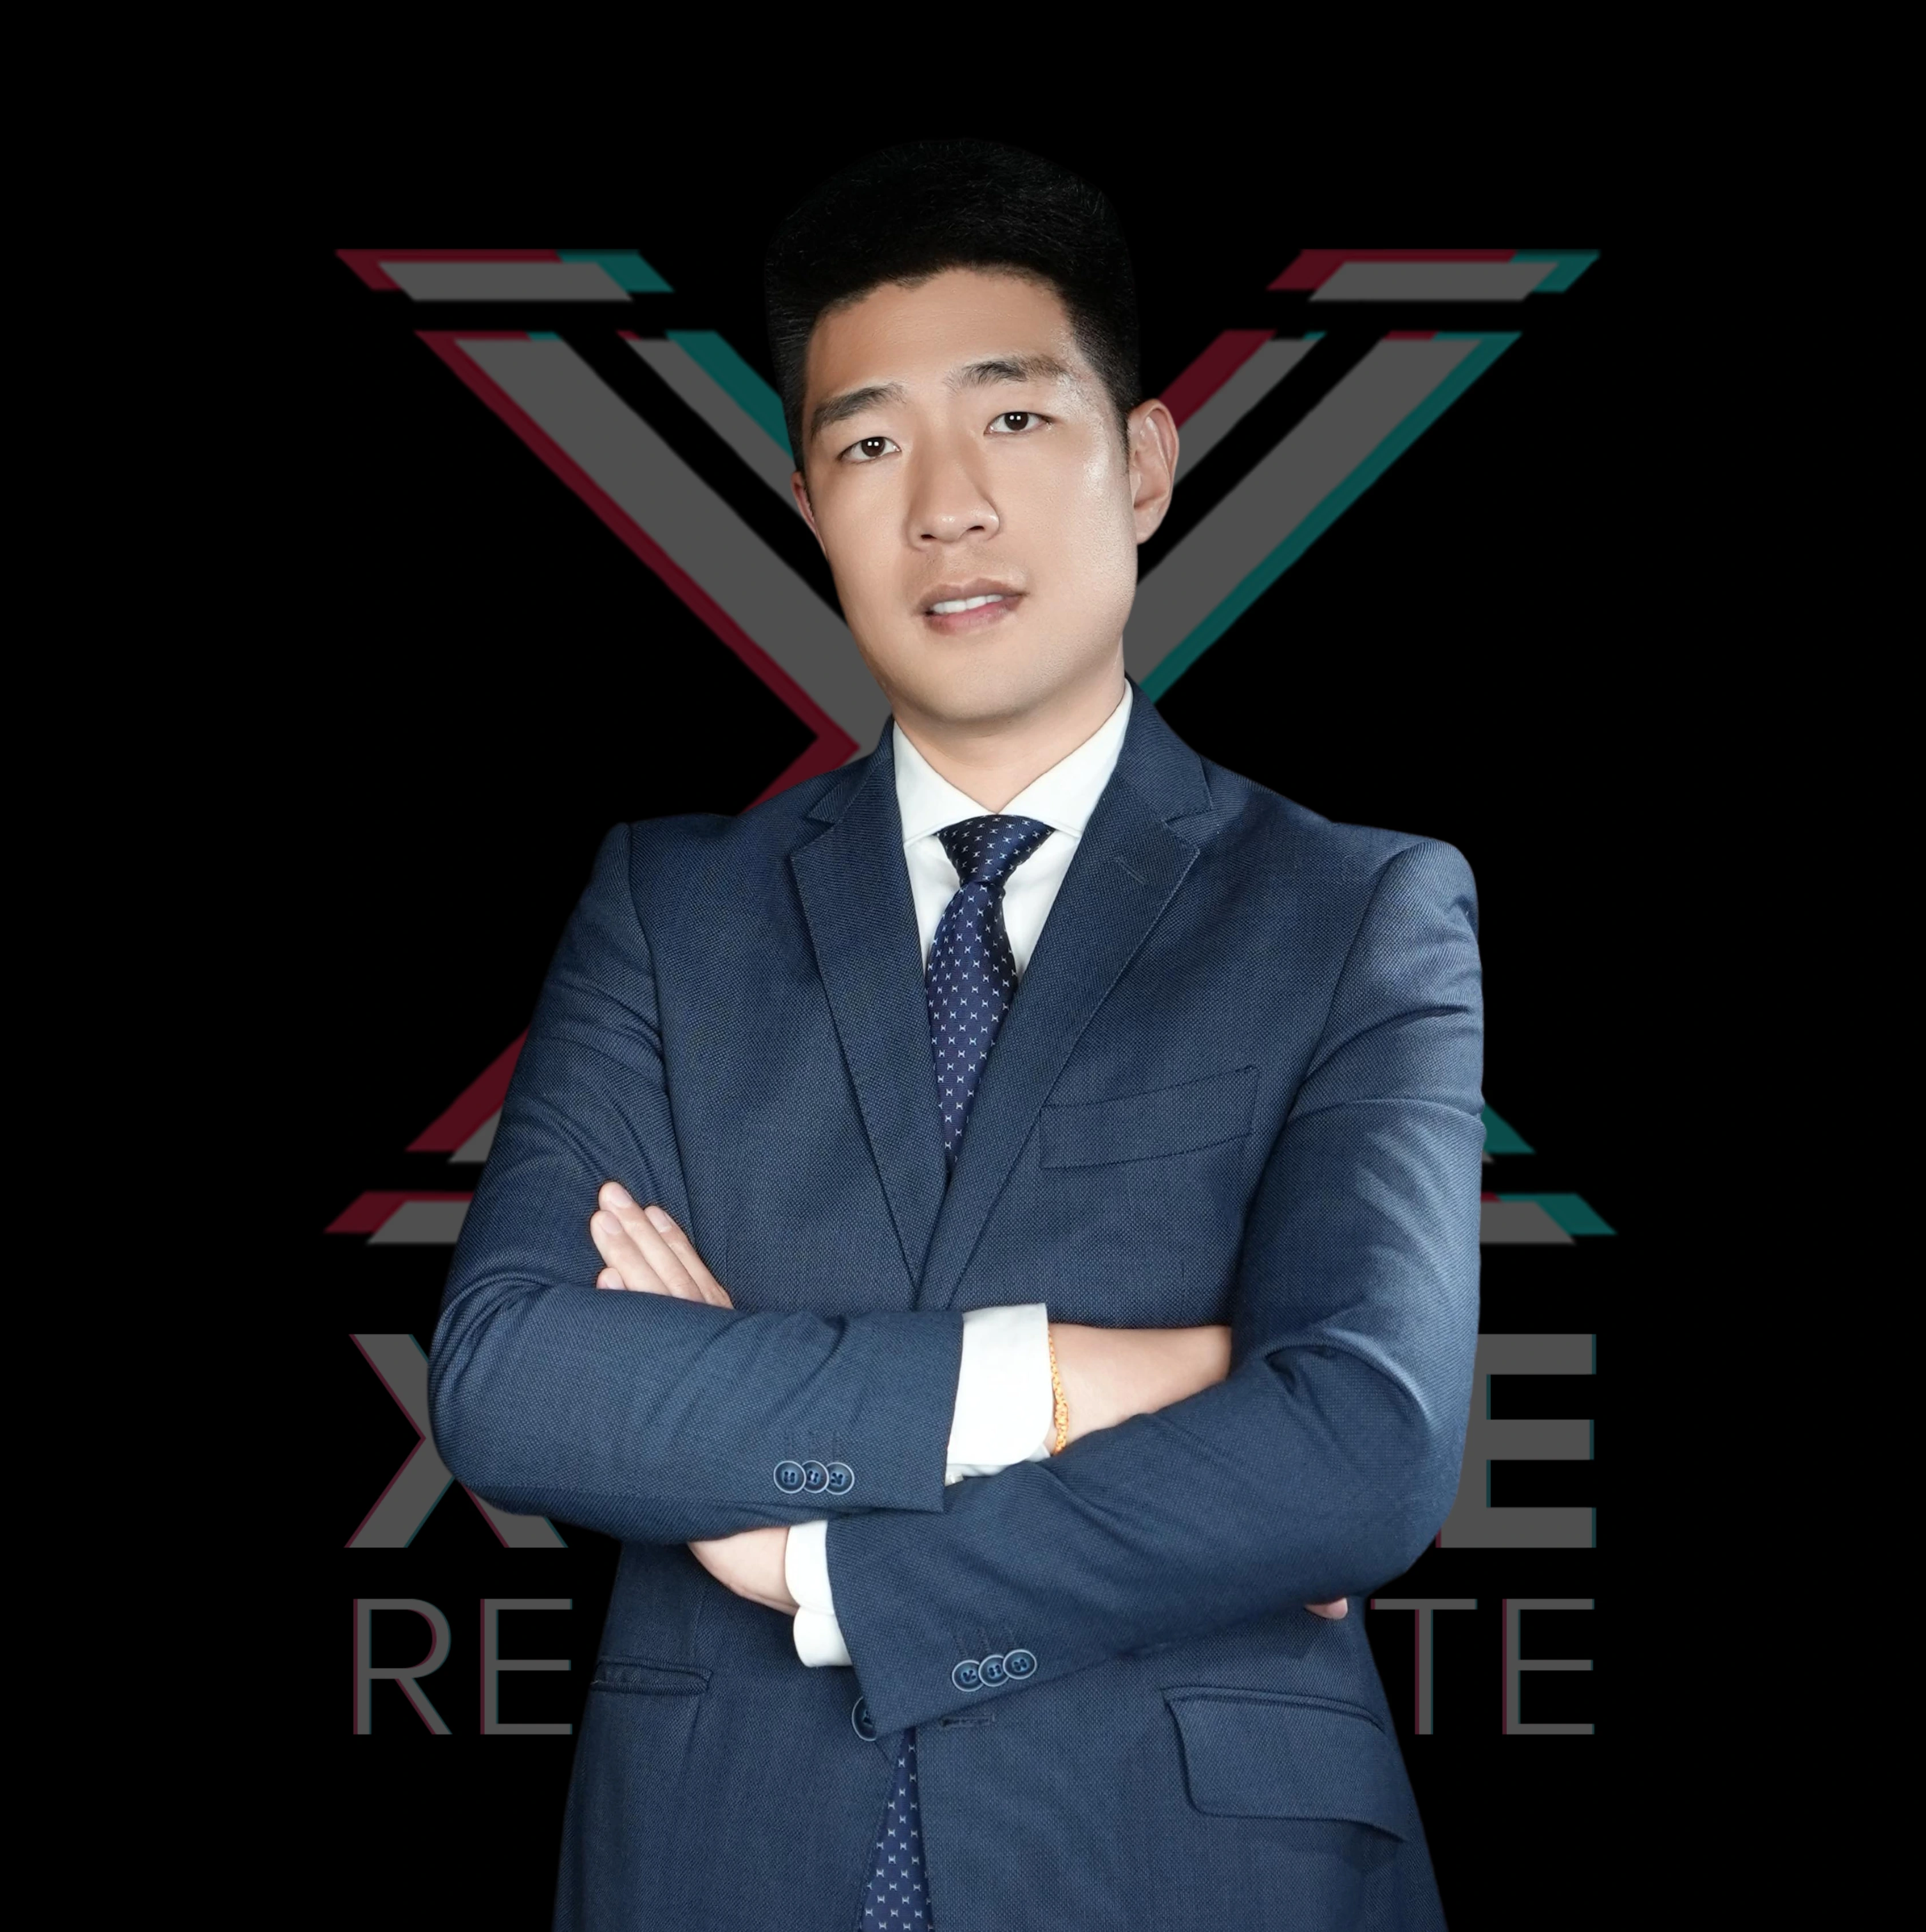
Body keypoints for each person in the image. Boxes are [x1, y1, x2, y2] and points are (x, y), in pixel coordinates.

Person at [429, 139, 1482, 1932]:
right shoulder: (670, 907)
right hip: (723, 1863)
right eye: (867, 445)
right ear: (808, 503)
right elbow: (516, 1375)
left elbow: (1358, 1455)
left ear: (1141, 462)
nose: (944, 505)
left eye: (1009, 418)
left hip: (1198, 1873)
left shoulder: (1352, 906)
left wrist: (817, 1562)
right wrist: (1082, 1381)